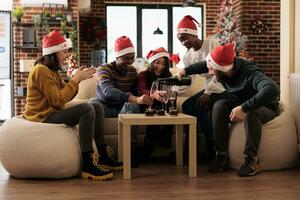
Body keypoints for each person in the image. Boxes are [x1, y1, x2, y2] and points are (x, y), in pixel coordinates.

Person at [23, 30, 123, 181]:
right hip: (43, 116)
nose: (67, 55)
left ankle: (102, 155)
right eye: (64, 52)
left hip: (52, 111)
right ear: (54, 52)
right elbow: (58, 100)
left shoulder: (52, 71)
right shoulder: (41, 71)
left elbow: (66, 95)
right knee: (86, 108)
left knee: (96, 106)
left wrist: (78, 79)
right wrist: (75, 80)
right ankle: (88, 163)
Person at [178, 43, 280, 177]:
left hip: (265, 106)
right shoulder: (225, 67)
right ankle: (221, 155)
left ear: (222, 69)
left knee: (251, 113)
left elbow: (273, 89)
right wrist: (185, 70)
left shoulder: (250, 73)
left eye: (212, 70)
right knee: (220, 105)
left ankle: (252, 160)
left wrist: (244, 107)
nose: (209, 72)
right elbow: (205, 64)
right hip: (243, 101)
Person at [90, 36, 152, 167]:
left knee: (133, 106)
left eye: (132, 57)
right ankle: (100, 152)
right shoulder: (104, 69)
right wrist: (133, 97)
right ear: (117, 57)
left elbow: (136, 92)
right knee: (92, 105)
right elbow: (108, 91)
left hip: (122, 108)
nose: (130, 62)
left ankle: (130, 151)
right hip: (104, 107)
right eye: (126, 58)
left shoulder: (133, 71)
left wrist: (142, 97)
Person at [176, 15, 226, 161]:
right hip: (209, 88)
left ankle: (211, 147)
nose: (183, 42)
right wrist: (173, 90)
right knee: (186, 105)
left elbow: (221, 70)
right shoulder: (188, 57)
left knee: (198, 105)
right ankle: (192, 143)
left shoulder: (212, 43)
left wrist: (208, 92)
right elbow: (188, 80)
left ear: (194, 34)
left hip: (222, 85)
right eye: (180, 40)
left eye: (185, 38)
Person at [137, 47, 173, 160]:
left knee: (171, 107)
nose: (160, 66)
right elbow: (142, 90)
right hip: (146, 103)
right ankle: (149, 147)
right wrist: (153, 93)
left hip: (162, 103)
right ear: (152, 62)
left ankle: (164, 141)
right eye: (157, 62)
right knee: (156, 111)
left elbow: (169, 92)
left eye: (163, 63)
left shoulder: (168, 75)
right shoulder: (142, 74)